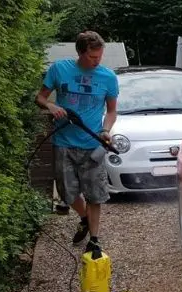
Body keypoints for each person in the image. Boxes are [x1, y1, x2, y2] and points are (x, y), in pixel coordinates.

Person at [35, 31, 119, 253]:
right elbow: (40, 97)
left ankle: (95, 239)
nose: (97, 61)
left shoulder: (108, 77)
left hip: (92, 144)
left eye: (100, 56)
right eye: (92, 57)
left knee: (95, 193)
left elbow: (111, 112)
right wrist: (51, 106)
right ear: (81, 53)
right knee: (67, 192)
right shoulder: (59, 69)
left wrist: (105, 130)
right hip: (63, 141)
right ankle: (84, 217)